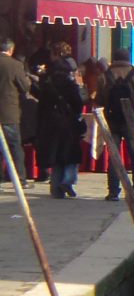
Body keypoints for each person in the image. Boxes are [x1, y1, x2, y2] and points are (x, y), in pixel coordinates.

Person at [32, 51, 84, 198]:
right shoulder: (70, 85)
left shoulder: (47, 85)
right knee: (70, 156)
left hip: (50, 125)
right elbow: (78, 104)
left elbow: (41, 107)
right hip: (68, 124)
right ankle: (67, 181)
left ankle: (56, 189)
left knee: (56, 158)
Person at [98, 49, 134, 200]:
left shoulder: (105, 76)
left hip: (112, 119)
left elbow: (100, 99)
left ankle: (113, 190)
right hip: (130, 119)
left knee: (114, 155)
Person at [0, 38, 33, 186]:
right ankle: (20, 178)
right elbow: (24, 87)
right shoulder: (15, 65)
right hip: (9, 111)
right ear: (11, 50)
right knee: (14, 147)